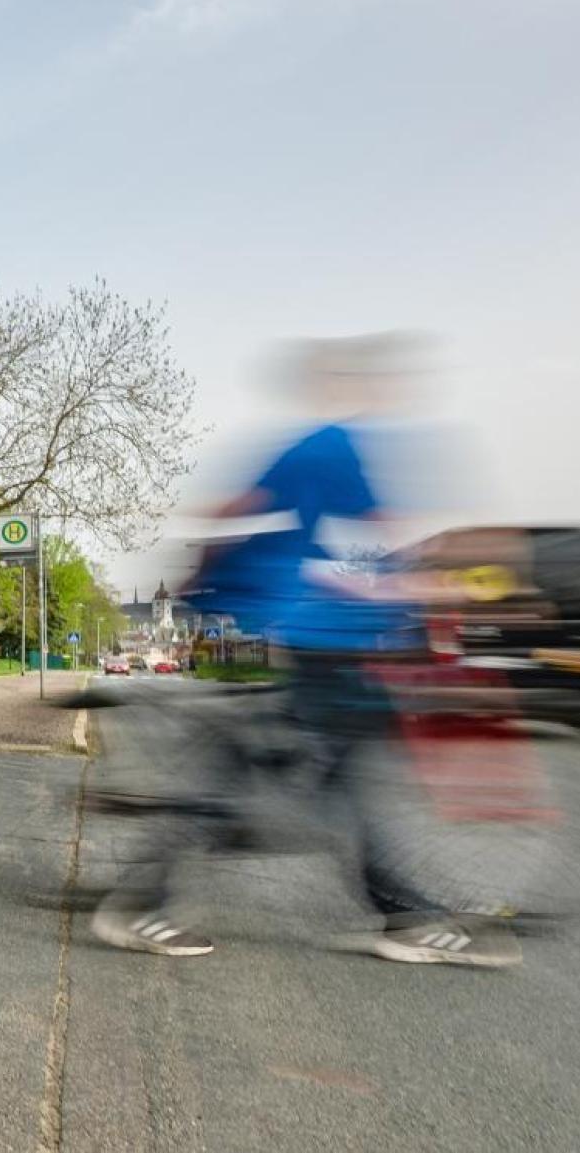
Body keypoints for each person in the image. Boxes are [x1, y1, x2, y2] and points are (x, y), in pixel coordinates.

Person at [90, 334, 520, 968]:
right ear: (351, 386)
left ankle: (400, 913)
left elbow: (352, 539)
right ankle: (399, 915)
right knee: (321, 775)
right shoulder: (331, 447)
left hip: (320, 633)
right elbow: (348, 539)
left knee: (317, 772)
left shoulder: (335, 449)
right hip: (314, 633)